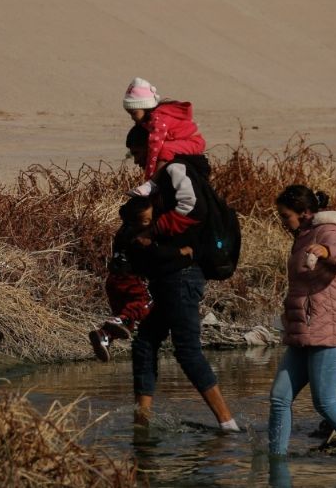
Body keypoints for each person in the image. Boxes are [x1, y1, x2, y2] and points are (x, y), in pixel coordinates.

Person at [124, 125, 240, 433]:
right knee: (145, 343)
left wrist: (152, 232)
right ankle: (142, 420)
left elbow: (194, 212)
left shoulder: (175, 172)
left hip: (181, 277)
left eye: (137, 154)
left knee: (187, 350)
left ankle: (228, 424)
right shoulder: (163, 180)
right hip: (169, 277)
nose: (137, 162)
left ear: (150, 149)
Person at [268, 185, 336, 457]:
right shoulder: (302, 235)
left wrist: (327, 251)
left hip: (330, 331)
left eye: (285, 215)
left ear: (304, 213)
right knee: (280, 398)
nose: (282, 221)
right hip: (304, 331)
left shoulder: (329, 232)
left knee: (324, 402)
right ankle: (275, 458)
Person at [87, 196, 194, 361]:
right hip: (127, 280)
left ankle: (104, 336)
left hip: (112, 280)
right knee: (146, 303)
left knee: (127, 323)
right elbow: (157, 253)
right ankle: (116, 321)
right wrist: (181, 252)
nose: (151, 224)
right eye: (147, 221)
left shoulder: (124, 229)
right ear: (136, 222)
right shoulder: (139, 237)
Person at [122, 77, 207, 196]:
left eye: (134, 113)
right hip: (188, 141)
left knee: (165, 149)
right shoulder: (150, 121)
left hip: (193, 141)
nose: (132, 118)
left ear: (145, 107)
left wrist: (149, 178)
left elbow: (154, 149)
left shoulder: (158, 120)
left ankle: (152, 184)